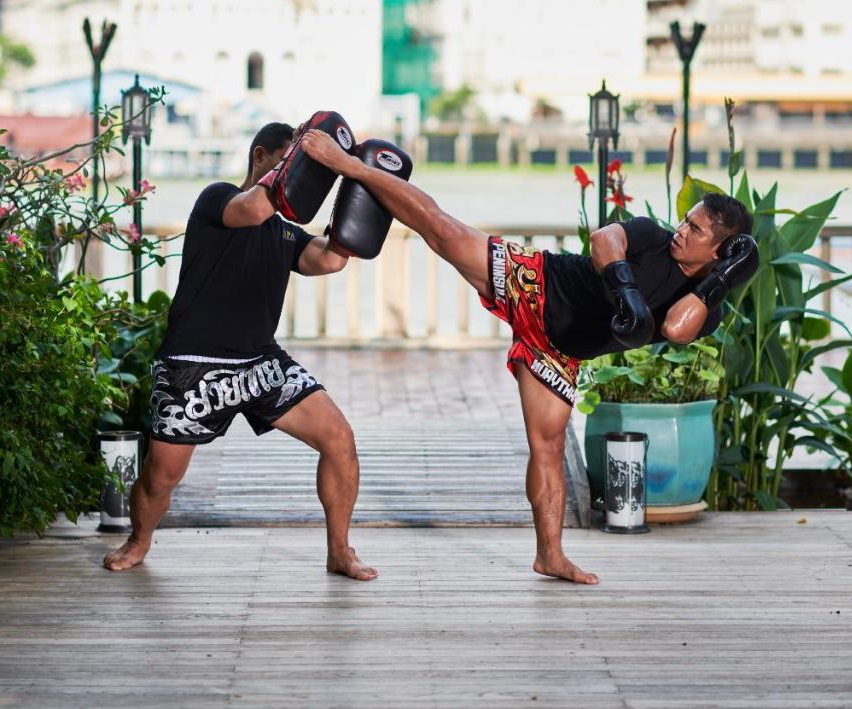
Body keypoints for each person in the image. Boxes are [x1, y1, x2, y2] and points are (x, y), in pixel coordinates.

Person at [298, 128, 757, 584]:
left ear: (720, 253)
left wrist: (719, 281)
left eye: (694, 229)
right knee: (441, 230)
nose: (681, 230)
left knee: (549, 447)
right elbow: (603, 240)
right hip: (537, 286)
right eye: (686, 220)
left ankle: (550, 556)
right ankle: (352, 167)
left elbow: (677, 329)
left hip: (559, 350)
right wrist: (625, 289)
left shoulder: (704, 310)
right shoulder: (653, 236)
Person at [104, 122, 377, 581]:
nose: (305, 179)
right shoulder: (218, 199)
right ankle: (139, 540)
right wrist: (301, 165)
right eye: (295, 165)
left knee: (340, 440)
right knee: (160, 476)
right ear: (261, 157)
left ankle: (339, 550)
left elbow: (327, 258)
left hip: (260, 364)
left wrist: (359, 189)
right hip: (193, 366)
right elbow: (252, 209)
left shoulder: (285, 233)